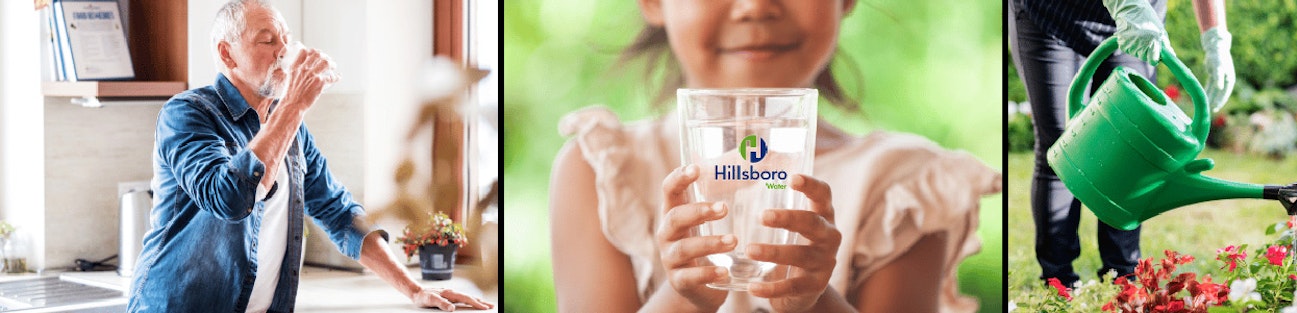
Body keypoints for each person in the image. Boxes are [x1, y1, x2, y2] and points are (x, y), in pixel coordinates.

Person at [548, 0, 1001, 312]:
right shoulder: (601, 173)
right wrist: (684, 296)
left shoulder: (905, 187)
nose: (756, 5)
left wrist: (812, 299)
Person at [126, 1, 495, 312]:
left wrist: (414, 289)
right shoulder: (188, 113)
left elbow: (339, 213)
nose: (282, 51)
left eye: (284, 40)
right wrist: (295, 103)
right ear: (227, 53)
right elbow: (229, 198)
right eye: (267, 40)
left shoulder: (291, 127)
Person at [1008, 0, 1235, 287]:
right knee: (1062, 146)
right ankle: (1058, 280)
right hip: (1052, 15)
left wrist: (1216, 38)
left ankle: (1123, 275)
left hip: (1139, 20)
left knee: (1134, 148)